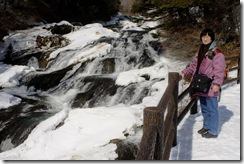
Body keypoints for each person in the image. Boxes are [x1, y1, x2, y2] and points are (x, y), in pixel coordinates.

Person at [179, 28, 226, 138]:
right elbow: (193, 66)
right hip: (200, 84)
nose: (205, 38)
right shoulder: (200, 51)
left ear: (212, 38)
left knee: (212, 109)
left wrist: (216, 84)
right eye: (203, 36)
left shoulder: (217, 53)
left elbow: (219, 70)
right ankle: (206, 126)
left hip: (210, 85)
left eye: (208, 36)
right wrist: (183, 73)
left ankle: (213, 130)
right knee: (204, 107)